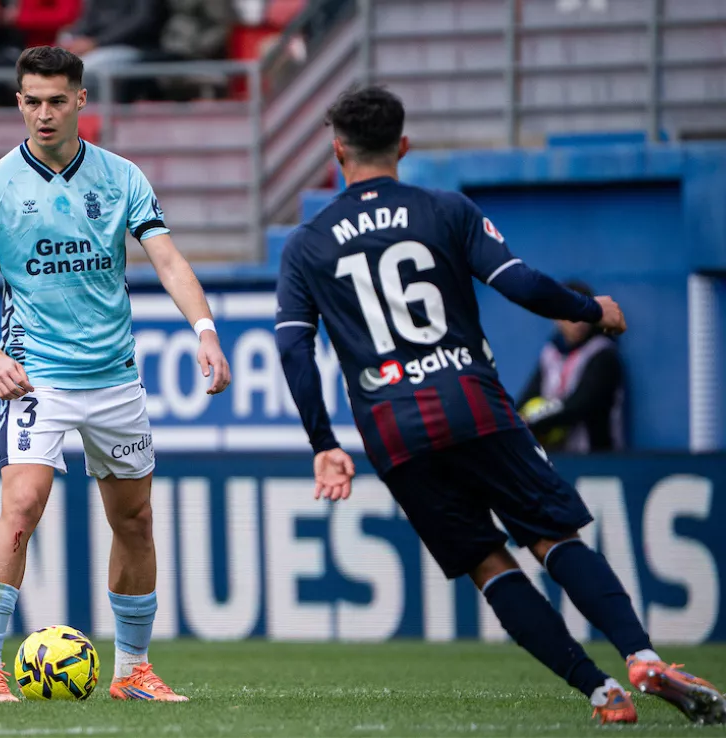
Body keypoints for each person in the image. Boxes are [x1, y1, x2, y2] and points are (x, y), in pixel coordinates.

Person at [275, 84, 724, 726]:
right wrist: (591, 310)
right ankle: (640, 653)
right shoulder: (445, 210)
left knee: (490, 566)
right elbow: (520, 282)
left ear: (335, 148)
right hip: (472, 402)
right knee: (550, 537)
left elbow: (295, 352)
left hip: (392, 430)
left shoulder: (306, 243)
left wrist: (324, 443)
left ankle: (601, 694)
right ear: (403, 145)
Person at [0, 45, 231, 704]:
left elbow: (169, 261)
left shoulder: (122, 177)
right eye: (31, 100)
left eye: (55, 100)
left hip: (115, 380)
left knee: (135, 523)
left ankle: (131, 671)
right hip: (37, 377)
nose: (43, 113)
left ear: (80, 102)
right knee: (20, 508)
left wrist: (205, 333)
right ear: (18, 102)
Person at [517, 279, 626, 453]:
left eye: (585, 315)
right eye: (571, 315)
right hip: (557, 457)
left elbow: (580, 404)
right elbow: (530, 394)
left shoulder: (603, 354)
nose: (579, 322)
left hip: (597, 458)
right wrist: (513, 420)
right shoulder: (551, 353)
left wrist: (532, 422)